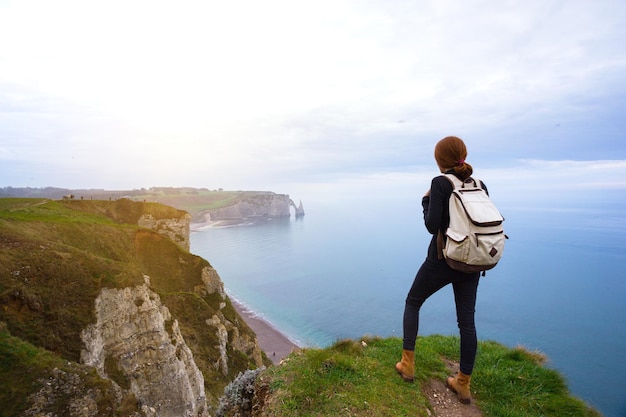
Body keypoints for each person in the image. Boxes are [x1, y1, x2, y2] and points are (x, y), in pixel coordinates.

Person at [395, 136, 486, 405]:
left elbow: (432, 224)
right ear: (464, 155)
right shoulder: (479, 185)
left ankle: (407, 365)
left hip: (442, 259)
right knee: (467, 323)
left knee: (413, 302)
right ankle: (463, 384)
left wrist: (425, 201)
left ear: (439, 160)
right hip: (471, 262)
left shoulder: (440, 183)